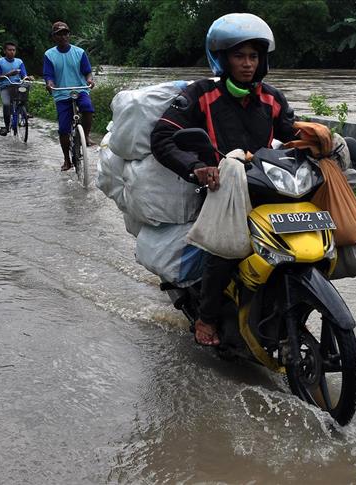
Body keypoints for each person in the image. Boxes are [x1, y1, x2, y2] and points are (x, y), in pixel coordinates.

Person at [151, 13, 297, 346]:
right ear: (221, 58)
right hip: (219, 189)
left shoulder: (272, 98)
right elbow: (162, 137)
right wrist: (196, 167)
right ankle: (207, 318)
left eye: (253, 56)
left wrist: (322, 142)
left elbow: (291, 136)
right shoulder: (200, 94)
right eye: (239, 56)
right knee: (227, 249)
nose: (247, 64)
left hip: (266, 186)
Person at [42, 21, 95, 171]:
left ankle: (86, 136)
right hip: (61, 93)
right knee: (64, 129)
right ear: (54, 37)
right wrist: (50, 84)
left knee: (88, 108)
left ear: (69, 35)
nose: (63, 36)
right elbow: (48, 75)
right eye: (59, 34)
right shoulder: (49, 55)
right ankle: (67, 160)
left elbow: (87, 72)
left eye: (65, 33)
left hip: (80, 90)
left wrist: (90, 79)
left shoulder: (79, 52)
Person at [0, 41, 31, 136]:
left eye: (13, 50)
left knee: (24, 95)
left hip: (17, 86)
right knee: (6, 105)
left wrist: (27, 77)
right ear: (5, 51)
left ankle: (24, 112)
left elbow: (24, 74)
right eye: (9, 50)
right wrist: (10, 74)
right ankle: (6, 127)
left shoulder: (19, 61)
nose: (12, 52)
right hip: (5, 86)